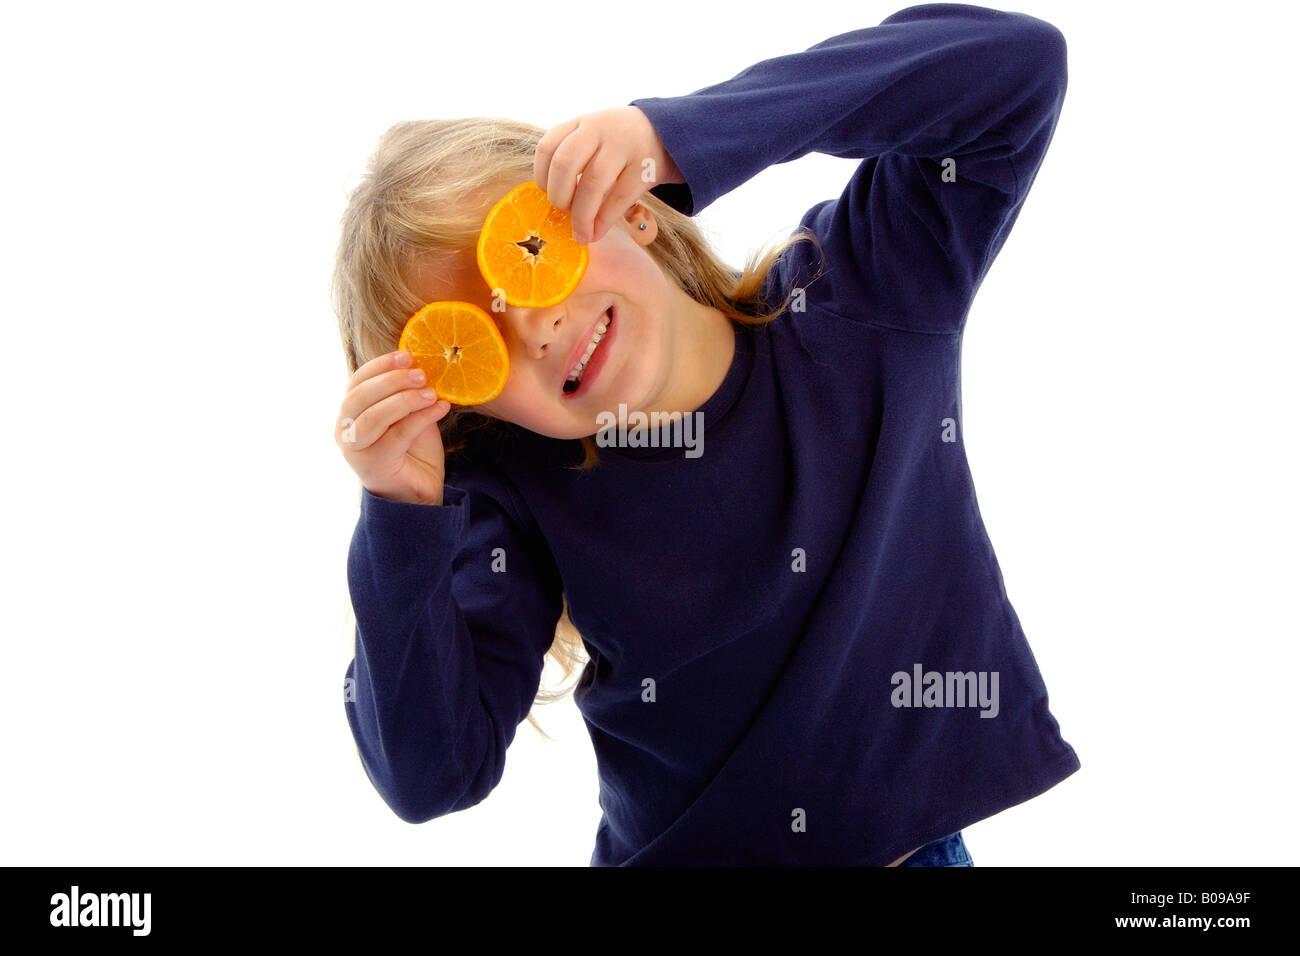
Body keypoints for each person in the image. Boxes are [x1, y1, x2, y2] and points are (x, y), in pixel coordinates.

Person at [332, 2, 1080, 866]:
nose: (533, 328)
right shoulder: (518, 495)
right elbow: (431, 776)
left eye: (531, 251)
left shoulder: (865, 297)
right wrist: (400, 515)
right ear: (470, 408)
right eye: (472, 343)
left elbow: (1017, 68)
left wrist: (681, 136)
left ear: (633, 209)